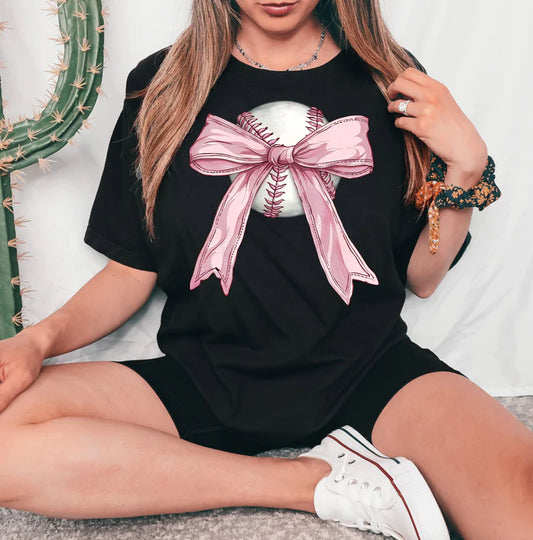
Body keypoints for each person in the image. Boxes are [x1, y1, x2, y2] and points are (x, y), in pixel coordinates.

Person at [0, 1, 530, 539]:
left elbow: (423, 277)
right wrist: (36, 343)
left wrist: (466, 169)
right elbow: (130, 271)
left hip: (372, 372)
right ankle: (308, 482)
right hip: (203, 377)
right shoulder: (162, 85)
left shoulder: (392, 81)